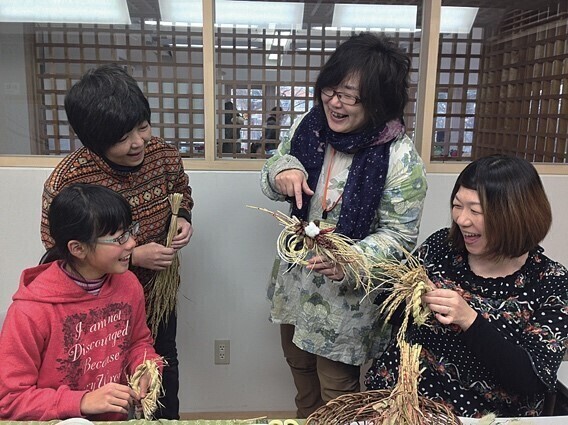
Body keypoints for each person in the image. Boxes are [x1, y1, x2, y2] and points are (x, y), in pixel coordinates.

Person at [260, 32, 427, 418]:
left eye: (350, 95)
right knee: (300, 372)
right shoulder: (309, 126)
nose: (335, 102)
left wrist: (351, 257)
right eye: (330, 88)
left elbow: (400, 238)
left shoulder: (400, 158)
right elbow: (274, 165)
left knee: (338, 391)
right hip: (296, 280)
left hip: (348, 300)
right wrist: (282, 170)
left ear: (379, 100)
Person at [40, 64, 194, 419]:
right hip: (97, 301)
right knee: (97, 374)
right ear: (93, 140)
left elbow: (181, 192)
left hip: (156, 291)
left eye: (142, 127)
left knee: (160, 365)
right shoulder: (70, 179)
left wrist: (183, 217)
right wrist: (134, 255)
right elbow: (56, 247)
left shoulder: (164, 154)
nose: (139, 142)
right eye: (123, 137)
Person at [365, 154, 568, 418]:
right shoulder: (442, 246)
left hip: (478, 417)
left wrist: (469, 320)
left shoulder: (551, 281)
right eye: (457, 205)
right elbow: (388, 310)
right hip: (400, 403)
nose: (462, 220)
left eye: (476, 211)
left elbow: (532, 380)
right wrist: (409, 294)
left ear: (514, 216)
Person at [0, 184, 161, 421]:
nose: (132, 244)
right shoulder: (30, 311)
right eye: (119, 238)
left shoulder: (128, 284)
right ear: (78, 248)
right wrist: (82, 401)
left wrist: (145, 366)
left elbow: (138, 341)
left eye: (130, 231)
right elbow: (10, 400)